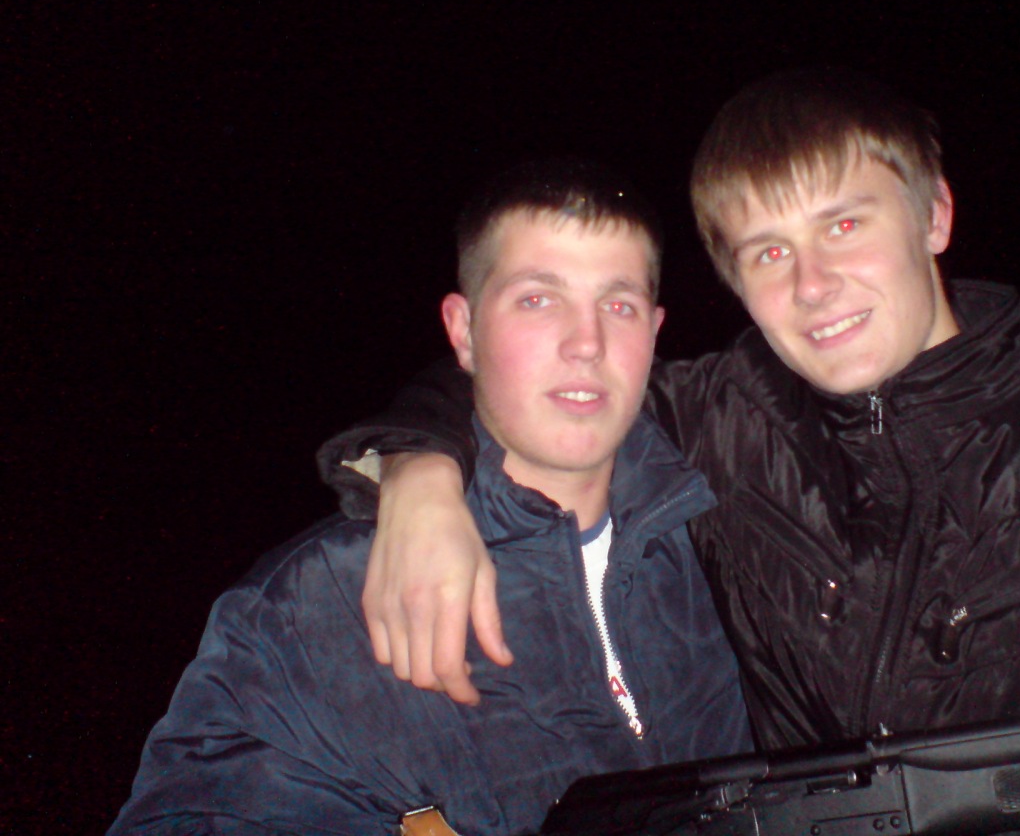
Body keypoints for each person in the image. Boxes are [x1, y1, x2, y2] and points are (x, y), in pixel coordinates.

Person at [319, 69, 1020, 753]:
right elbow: (539, 380)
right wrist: (417, 472)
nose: (813, 284)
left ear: (935, 215)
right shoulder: (721, 426)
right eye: (769, 252)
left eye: (844, 224)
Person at [108, 161, 752, 836]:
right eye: (538, 299)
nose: (586, 343)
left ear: (654, 332)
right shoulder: (313, 605)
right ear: (464, 332)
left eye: (618, 306)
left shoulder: (730, 532)